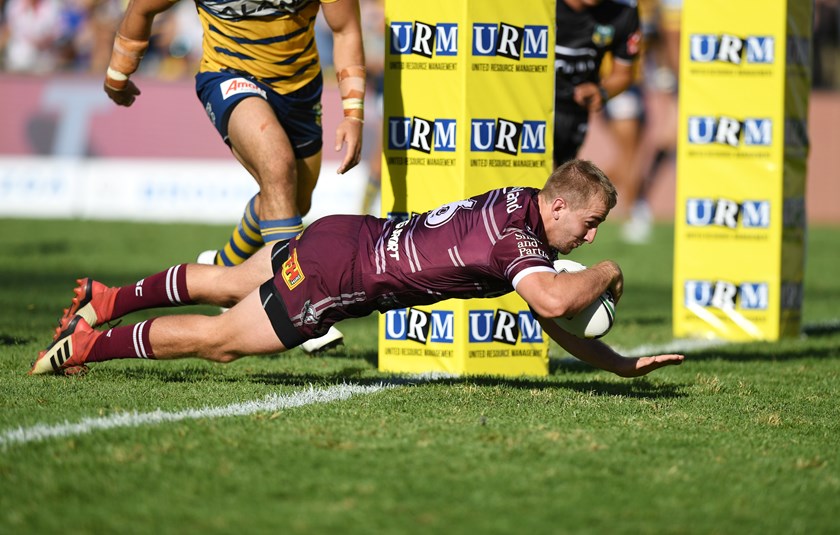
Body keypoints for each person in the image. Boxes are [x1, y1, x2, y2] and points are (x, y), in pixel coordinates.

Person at [31, 159, 684, 379]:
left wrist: (616, 362)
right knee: (221, 340)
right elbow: (553, 302)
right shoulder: (519, 242)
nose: (591, 236)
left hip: (345, 233)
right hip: (337, 276)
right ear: (561, 204)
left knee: (233, 280)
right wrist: (611, 268)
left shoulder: (520, 205)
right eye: (590, 224)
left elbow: (554, 315)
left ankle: (106, 295)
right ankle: (87, 342)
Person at [101, 0, 366, 352]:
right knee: (277, 165)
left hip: (299, 91)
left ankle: (221, 268)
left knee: (291, 199)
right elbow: (142, 8)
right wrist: (119, 73)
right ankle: (299, 297)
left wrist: (353, 113)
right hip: (228, 77)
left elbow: (345, 28)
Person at [554, 0, 641, 168]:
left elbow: (622, 74)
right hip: (523, 110)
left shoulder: (623, 10)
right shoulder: (530, 5)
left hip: (573, 114)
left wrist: (601, 92)